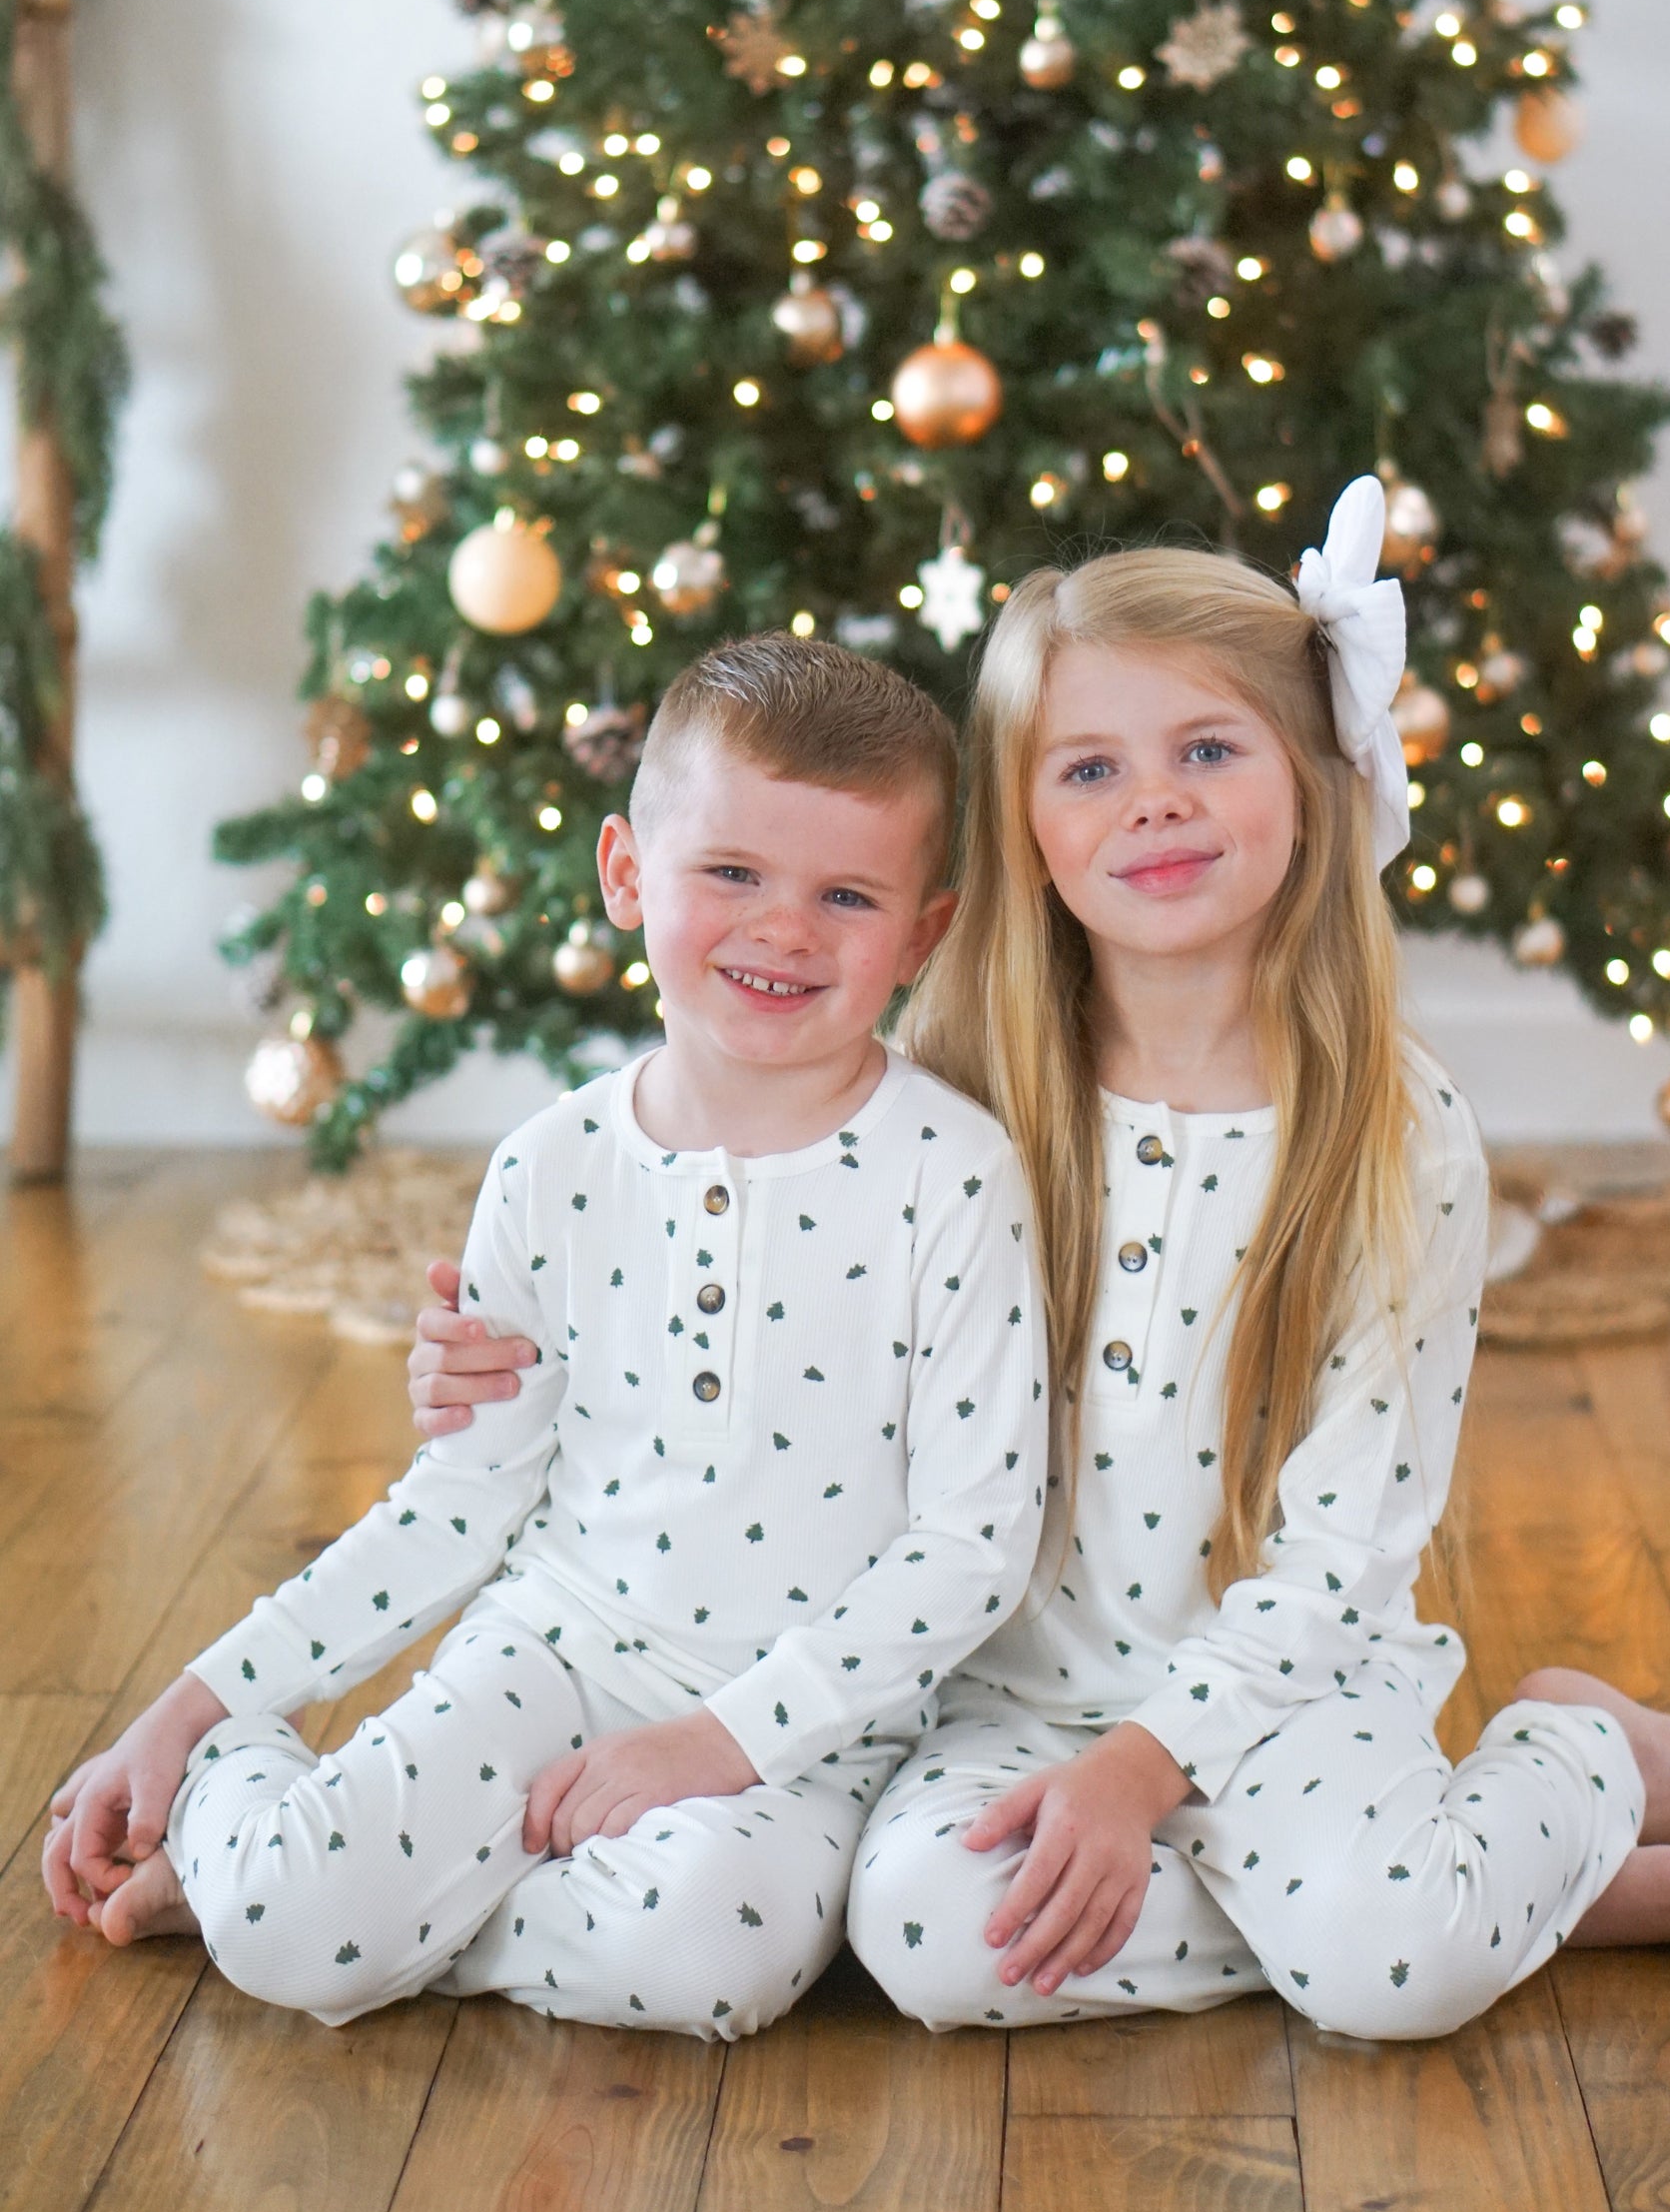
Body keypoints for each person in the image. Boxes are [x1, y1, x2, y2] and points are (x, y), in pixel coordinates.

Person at [404, 488, 1670, 2045]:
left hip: (1290, 1686)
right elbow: (758, 1332)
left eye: (1207, 751)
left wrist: (1142, 1770)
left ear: (1311, 783)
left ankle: (1579, 1763)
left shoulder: (1389, 1130)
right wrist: (514, 1371)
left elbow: (1349, 1549)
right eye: (1089, 769)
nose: (1151, 804)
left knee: (1391, 1981)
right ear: (1022, 827)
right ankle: (1487, 1885)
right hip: (1005, 1691)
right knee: (923, 1936)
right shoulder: (945, 1085)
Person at [42, 636, 1048, 2040]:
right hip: (555, 1651)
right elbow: (462, 1498)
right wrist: (197, 1709)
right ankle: (254, 1847)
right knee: (286, 1932)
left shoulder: (955, 1174)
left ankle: (369, 1907)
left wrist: (719, 1743)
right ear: (627, 874)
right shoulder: (551, 1167)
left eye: (846, 896)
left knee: (710, 1958)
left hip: (809, 1724)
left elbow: (971, 1544)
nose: (785, 931)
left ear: (923, 935)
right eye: (732, 873)